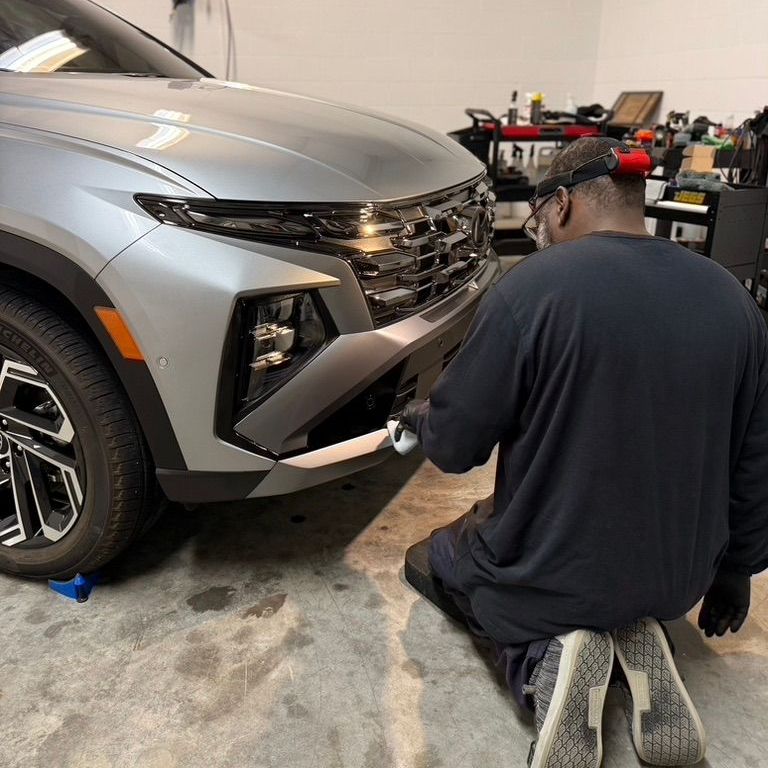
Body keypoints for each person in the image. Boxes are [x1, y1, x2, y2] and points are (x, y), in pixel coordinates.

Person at [396, 137, 768, 768]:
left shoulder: (531, 290)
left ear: (562, 204)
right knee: (613, 575)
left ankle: (545, 664)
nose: (540, 231)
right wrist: (737, 571)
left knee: (434, 556)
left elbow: (457, 447)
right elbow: (755, 458)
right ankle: (635, 642)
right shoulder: (732, 299)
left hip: (555, 575)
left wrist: (419, 418)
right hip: (680, 575)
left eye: (541, 219)